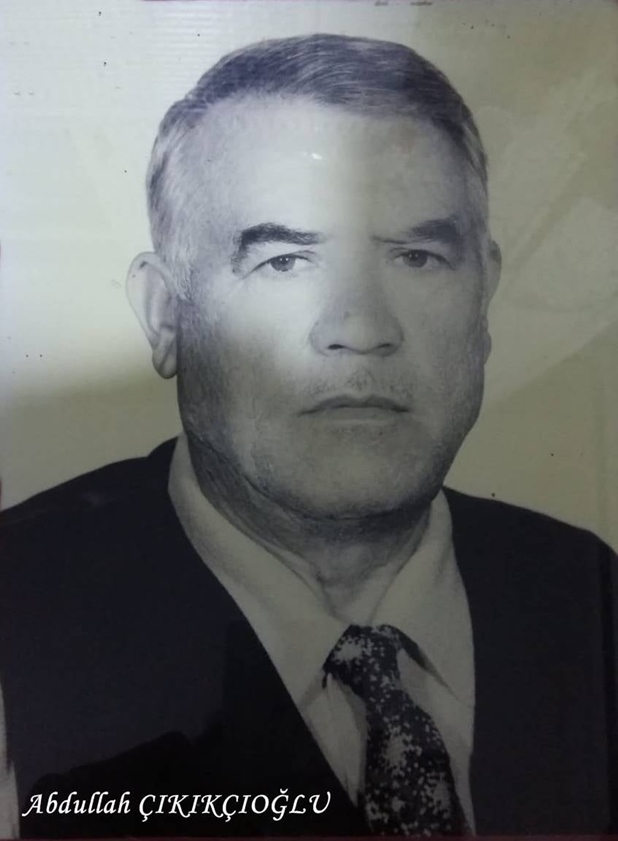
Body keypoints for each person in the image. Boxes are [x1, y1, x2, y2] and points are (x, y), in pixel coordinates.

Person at [0, 33, 616, 838]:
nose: (361, 328)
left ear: (484, 297)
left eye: (418, 256)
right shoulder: (18, 621)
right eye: (285, 260)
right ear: (165, 314)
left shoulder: (589, 595)